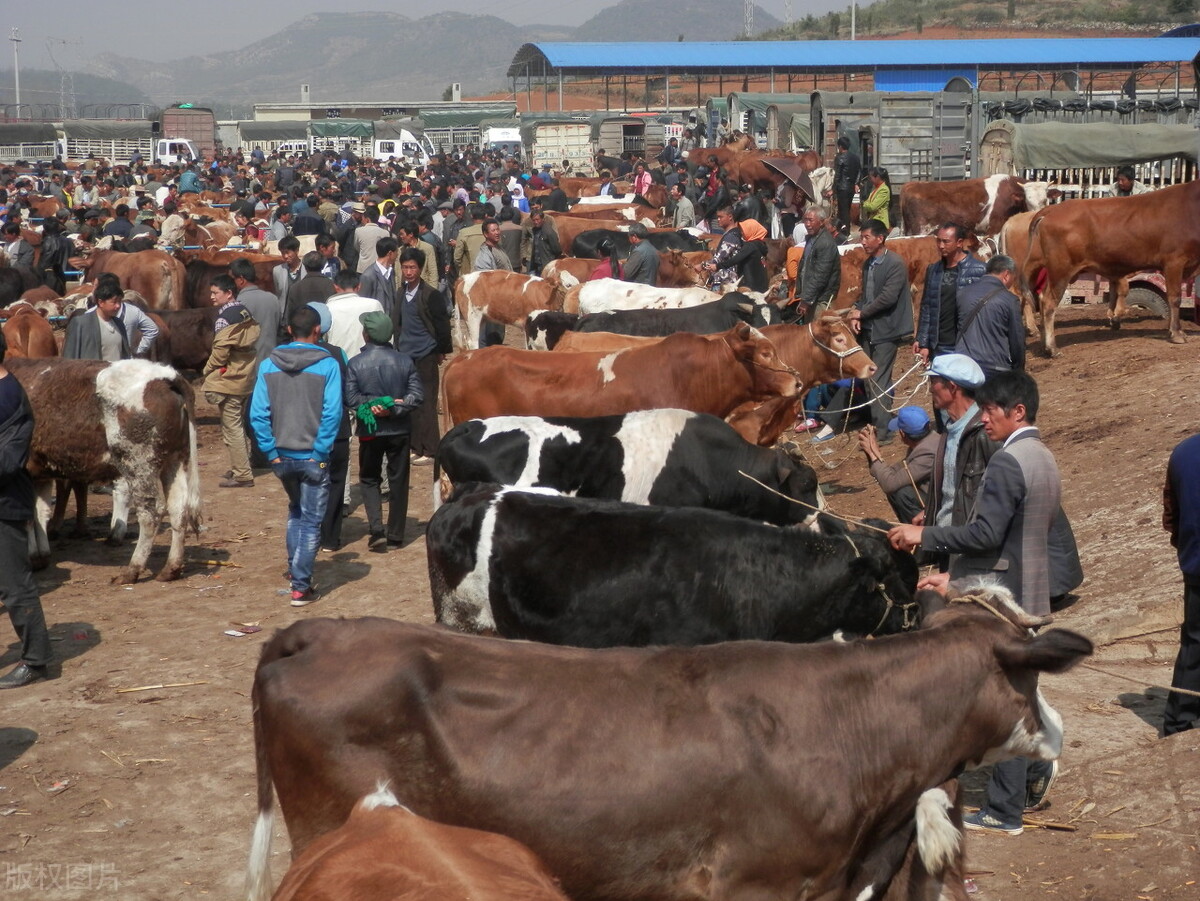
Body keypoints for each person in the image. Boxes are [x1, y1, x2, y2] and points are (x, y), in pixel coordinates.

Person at [888, 371, 1064, 835]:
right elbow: (1009, 538)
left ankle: (1004, 812)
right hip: (1029, 587)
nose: (983, 419)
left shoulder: (1008, 461)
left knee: (1001, 700)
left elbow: (985, 533)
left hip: (1005, 599)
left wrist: (921, 534)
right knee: (1019, 691)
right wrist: (958, 575)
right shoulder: (1041, 455)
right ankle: (1032, 776)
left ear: (1018, 411)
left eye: (991, 411)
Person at [249, 305, 343, 608]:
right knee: (311, 521)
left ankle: (294, 570)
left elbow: (258, 415)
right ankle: (301, 586)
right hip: (313, 457)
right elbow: (332, 414)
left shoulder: (267, 365)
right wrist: (319, 452)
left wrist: (272, 454)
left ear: (289, 329)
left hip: (283, 458)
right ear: (318, 330)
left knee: (295, 511)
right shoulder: (328, 365)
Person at [813, 219, 911, 442]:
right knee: (866, 377)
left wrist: (861, 313)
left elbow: (887, 297)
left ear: (880, 238)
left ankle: (883, 432)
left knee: (879, 380)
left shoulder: (895, 263)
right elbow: (866, 297)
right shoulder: (869, 264)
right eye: (862, 237)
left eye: (867, 237)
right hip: (870, 329)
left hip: (887, 330)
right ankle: (876, 422)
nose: (863, 242)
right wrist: (857, 311)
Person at [0, 330, 53, 689]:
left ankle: (35, 660)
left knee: (16, 587)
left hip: (4, 506)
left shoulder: (13, 400)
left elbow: (8, 460)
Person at [347, 311, 424, 551]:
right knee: (398, 480)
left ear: (366, 335)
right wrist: (392, 407)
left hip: (370, 430)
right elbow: (417, 396)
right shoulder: (405, 361)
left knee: (370, 478)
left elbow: (350, 398)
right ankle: (396, 534)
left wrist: (373, 405)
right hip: (399, 430)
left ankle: (376, 529)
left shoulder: (356, 363)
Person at [392, 246, 452, 465]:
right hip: (405, 355)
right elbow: (396, 323)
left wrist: (440, 351)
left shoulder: (430, 294)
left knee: (426, 402)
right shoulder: (400, 293)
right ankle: (415, 446)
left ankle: (430, 449)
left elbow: (442, 325)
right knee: (410, 402)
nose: (408, 272)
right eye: (405, 267)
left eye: (412, 268)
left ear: (420, 269)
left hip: (426, 354)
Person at [202, 274, 261, 489]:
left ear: (228, 293)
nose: (212, 297)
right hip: (246, 377)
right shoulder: (244, 312)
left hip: (230, 380)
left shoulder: (224, 318)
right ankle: (240, 466)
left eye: (215, 292)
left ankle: (243, 474)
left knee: (232, 427)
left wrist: (206, 370)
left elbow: (219, 355)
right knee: (238, 423)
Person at [1163, 431, 1200, 736]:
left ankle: (1178, 721)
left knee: (1194, 643)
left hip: (1195, 563)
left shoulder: (1182, 452)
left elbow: (1170, 516)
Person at [915, 223, 987, 365]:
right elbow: (927, 307)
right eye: (939, 241)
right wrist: (923, 342)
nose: (941, 246)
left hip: (967, 346)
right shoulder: (933, 270)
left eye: (946, 241)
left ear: (959, 243)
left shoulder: (980, 270)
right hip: (939, 345)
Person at [859, 406, 939, 525]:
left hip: (940, 506)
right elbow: (893, 472)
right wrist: (872, 454)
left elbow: (890, 484)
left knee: (900, 492)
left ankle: (921, 533)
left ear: (902, 433)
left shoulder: (927, 453)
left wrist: (873, 453)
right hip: (935, 498)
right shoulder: (930, 440)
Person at [955, 254, 1025, 382]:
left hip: (963, 367)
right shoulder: (1010, 300)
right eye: (1013, 278)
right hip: (995, 369)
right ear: (1006, 275)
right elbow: (1017, 340)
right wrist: (1018, 371)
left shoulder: (962, 294)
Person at [789, 204, 840, 322]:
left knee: (819, 332)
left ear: (821, 222)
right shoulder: (812, 239)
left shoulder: (825, 243)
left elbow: (820, 275)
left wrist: (806, 300)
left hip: (821, 299)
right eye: (805, 220)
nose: (807, 224)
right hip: (812, 296)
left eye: (811, 220)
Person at [63, 281, 131, 361]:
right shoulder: (81, 323)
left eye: (120, 301)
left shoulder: (119, 323)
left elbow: (125, 354)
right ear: (101, 302)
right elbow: (69, 355)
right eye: (114, 302)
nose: (118, 306)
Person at [326, 270, 384, 362]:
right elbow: (385, 336)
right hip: (370, 363)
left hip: (339, 364)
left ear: (336, 287)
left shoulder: (328, 309)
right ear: (359, 286)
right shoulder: (374, 305)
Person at [358, 237, 398, 316]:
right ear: (390, 253)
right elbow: (363, 302)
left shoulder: (391, 271)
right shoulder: (368, 275)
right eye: (396, 251)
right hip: (376, 323)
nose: (397, 255)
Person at [830, 136, 861, 238]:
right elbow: (859, 172)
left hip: (841, 187)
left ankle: (846, 232)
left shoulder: (840, 157)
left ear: (840, 146)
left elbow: (837, 175)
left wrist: (833, 190)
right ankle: (843, 230)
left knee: (843, 211)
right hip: (851, 187)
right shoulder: (855, 157)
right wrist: (856, 183)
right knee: (846, 209)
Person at [520, 209, 560, 276]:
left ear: (542, 219)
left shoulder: (549, 222)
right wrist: (524, 256)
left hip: (546, 258)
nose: (536, 222)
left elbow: (556, 242)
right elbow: (523, 240)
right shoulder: (526, 222)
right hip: (531, 257)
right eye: (534, 220)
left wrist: (552, 256)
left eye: (537, 219)